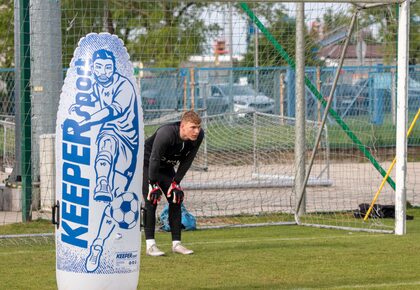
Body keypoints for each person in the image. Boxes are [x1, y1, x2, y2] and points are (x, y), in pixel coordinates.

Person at [71, 49, 140, 272]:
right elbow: (90, 99)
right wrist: (78, 109)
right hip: (110, 133)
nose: (103, 72)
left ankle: (98, 244)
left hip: (129, 142)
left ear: (114, 68)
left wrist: (88, 121)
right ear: (94, 68)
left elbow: (112, 111)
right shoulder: (94, 83)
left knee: (116, 203)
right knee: (106, 141)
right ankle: (102, 183)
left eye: (108, 67)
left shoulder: (125, 86)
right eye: (99, 67)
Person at [143, 110, 204, 256]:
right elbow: (154, 158)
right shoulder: (167, 133)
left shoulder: (199, 136)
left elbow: (187, 160)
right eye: (192, 127)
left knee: (176, 198)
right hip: (147, 164)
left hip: (166, 168)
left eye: (198, 127)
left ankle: (176, 244)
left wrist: (176, 182)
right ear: (182, 126)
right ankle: (150, 246)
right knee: (152, 200)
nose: (196, 131)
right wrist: (153, 184)